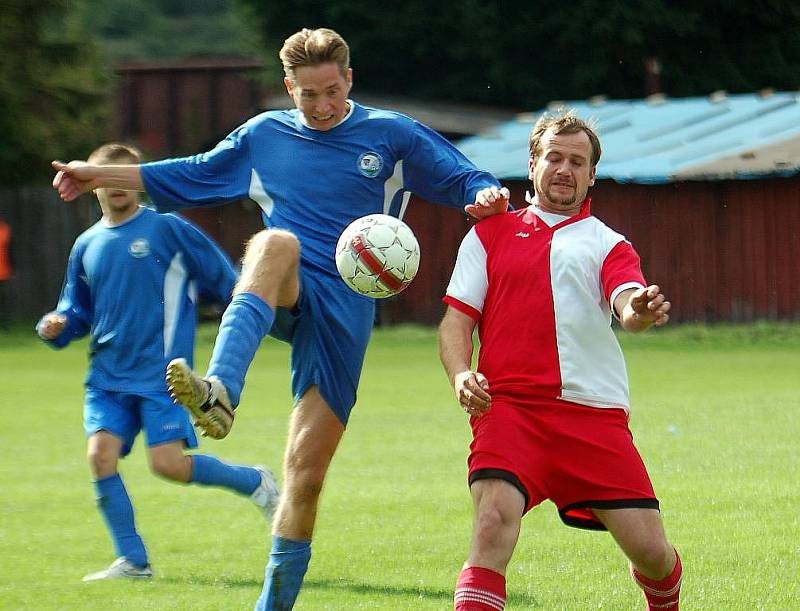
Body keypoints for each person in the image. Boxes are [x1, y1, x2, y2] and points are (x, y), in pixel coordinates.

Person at [51, 29, 508, 609]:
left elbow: (463, 174)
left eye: (332, 91)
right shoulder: (264, 135)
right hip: (290, 289)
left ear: (350, 80)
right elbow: (190, 172)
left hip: (346, 312)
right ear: (287, 87)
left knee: (304, 475)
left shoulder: (389, 133)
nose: (321, 106)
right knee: (273, 244)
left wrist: (488, 192)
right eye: (307, 94)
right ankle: (219, 389)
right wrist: (99, 175)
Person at [438, 112, 682, 611]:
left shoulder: (607, 243)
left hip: (592, 417)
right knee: (491, 523)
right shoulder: (487, 235)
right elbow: (455, 323)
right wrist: (462, 372)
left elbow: (626, 301)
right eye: (554, 157)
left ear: (592, 175)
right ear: (532, 165)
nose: (564, 169)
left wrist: (637, 310)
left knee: (653, 554)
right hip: (510, 410)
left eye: (578, 161)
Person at [39, 143, 279, 582]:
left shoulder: (167, 229)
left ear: (136, 181)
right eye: (105, 176)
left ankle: (256, 482)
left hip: (167, 378)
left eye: (123, 176)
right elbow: (75, 311)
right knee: (100, 457)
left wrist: (244, 312)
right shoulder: (86, 244)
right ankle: (133, 561)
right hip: (107, 378)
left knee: (167, 464)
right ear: (92, 184)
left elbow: (227, 280)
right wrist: (56, 325)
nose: (115, 185)